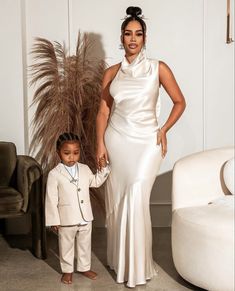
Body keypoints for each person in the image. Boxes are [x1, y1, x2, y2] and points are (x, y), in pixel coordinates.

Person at [96, 6, 186, 288]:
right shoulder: (111, 72)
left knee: (136, 196)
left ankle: (137, 268)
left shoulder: (159, 68)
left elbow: (180, 102)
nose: (133, 39)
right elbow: (102, 113)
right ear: (121, 38)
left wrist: (163, 129)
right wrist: (99, 144)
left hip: (147, 142)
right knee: (119, 202)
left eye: (138, 34)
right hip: (116, 140)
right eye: (127, 33)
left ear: (145, 38)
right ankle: (121, 261)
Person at [45, 132, 110, 284]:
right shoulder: (54, 174)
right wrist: (54, 220)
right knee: (66, 246)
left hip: (85, 217)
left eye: (76, 153)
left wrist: (104, 169)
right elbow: (51, 199)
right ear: (58, 153)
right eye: (67, 153)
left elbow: (95, 182)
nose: (72, 157)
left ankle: (84, 267)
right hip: (66, 218)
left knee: (85, 244)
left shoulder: (85, 168)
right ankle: (67, 271)